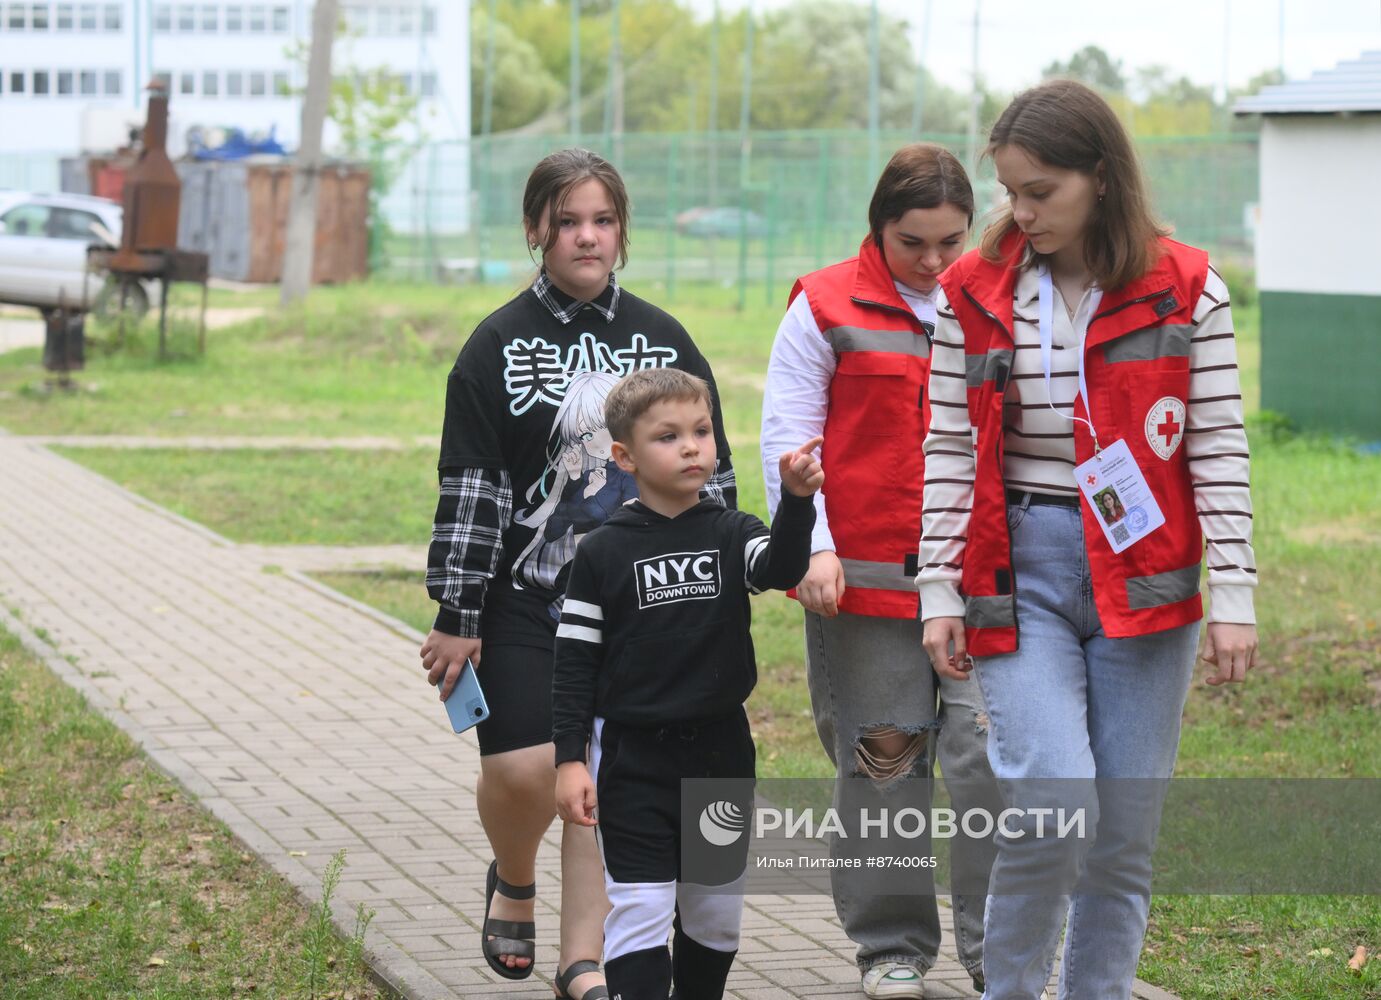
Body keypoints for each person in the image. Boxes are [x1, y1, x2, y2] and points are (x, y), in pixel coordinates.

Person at [918, 79, 1259, 1000]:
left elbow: (1217, 443)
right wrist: (939, 589)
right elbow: (948, 442)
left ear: (1101, 178)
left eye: (1042, 191)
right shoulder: (971, 289)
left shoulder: (1188, 288)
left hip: (1145, 577)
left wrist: (1231, 593)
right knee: (1054, 806)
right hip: (1016, 564)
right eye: (1011, 192)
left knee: (1121, 833)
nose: (1020, 212)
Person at [419, 148, 737, 1000]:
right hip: (526, 599)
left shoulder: (662, 337)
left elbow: (714, 468)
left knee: (603, 778)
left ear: (621, 231)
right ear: (536, 232)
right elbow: (475, 488)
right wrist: (457, 608)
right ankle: (513, 877)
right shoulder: (495, 345)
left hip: (638, 607)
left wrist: (724, 583)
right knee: (524, 770)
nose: (586, 237)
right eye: (567, 222)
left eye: (601, 220)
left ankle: (581, 958)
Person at [760, 142, 998, 997]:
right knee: (885, 765)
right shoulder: (822, 305)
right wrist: (811, 545)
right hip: (862, 585)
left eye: (951, 242)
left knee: (986, 761)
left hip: (978, 586)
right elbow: (789, 433)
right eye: (913, 243)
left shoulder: (992, 303)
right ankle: (892, 948)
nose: (935, 262)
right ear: (877, 228)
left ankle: (995, 952)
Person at [553, 368, 821, 1000]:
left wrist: (798, 500)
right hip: (632, 759)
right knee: (641, 909)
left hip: (720, 755)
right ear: (624, 457)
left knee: (713, 914)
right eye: (668, 436)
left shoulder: (732, 531)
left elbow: (781, 567)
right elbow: (573, 665)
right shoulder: (600, 552)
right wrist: (569, 760)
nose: (693, 446)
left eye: (701, 431)